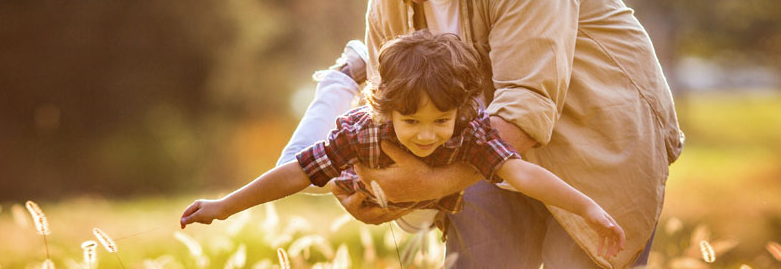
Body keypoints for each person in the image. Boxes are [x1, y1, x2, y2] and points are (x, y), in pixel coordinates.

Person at [272, 0, 686, 267]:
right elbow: (388, 108)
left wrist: (425, 185)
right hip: (482, 157)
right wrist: (377, 189)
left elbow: (525, 107)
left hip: (594, 150)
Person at [181, 31, 627, 259]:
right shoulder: (362, 130)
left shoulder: (470, 131)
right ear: (387, 110)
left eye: (441, 120)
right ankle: (343, 76)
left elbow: (522, 173)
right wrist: (224, 206)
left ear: (461, 110)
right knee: (297, 162)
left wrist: (586, 207)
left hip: (423, 194)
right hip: (360, 176)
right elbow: (296, 173)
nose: (427, 134)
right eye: (411, 120)